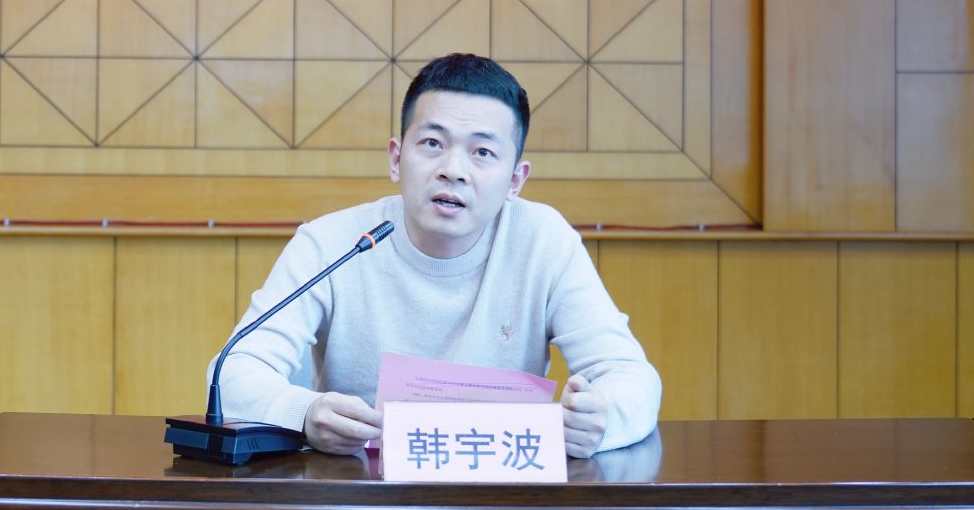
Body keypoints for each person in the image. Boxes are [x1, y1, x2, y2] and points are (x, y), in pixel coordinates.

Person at [210, 53, 661, 458]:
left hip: (501, 496)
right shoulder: (333, 242)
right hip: (361, 494)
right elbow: (232, 371)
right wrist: (304, 413)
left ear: (515, 181)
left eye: (483, 152)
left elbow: (630, 375)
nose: (453, 170)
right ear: (396, 158)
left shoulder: (544, 240)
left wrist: (603, 420)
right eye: (432, 144)